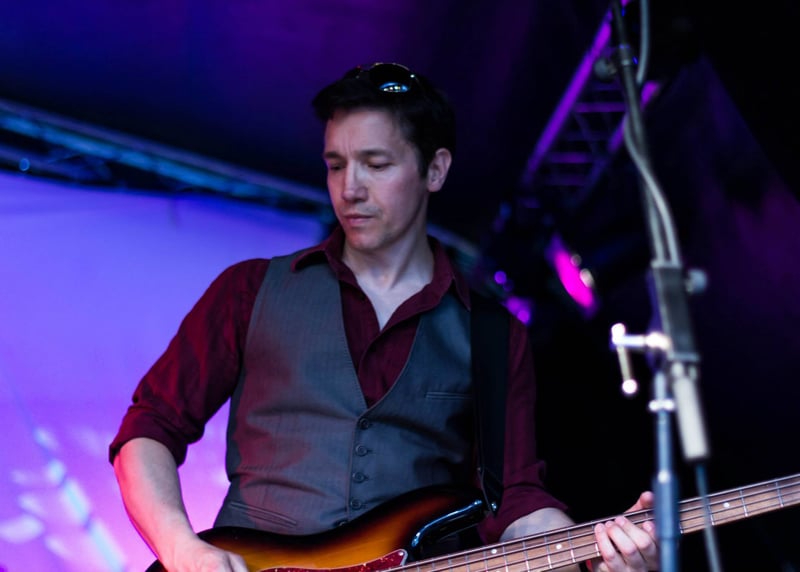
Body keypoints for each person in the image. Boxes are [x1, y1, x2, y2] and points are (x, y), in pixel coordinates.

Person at [109, 62, 659, 572]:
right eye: (335, 165)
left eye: (376, 165)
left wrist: (596, 551)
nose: (349, 188)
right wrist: (181, 548)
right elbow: (149, 428)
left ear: (435, 170)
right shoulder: (249, 289)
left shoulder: (492, 333)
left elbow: (514, 499)